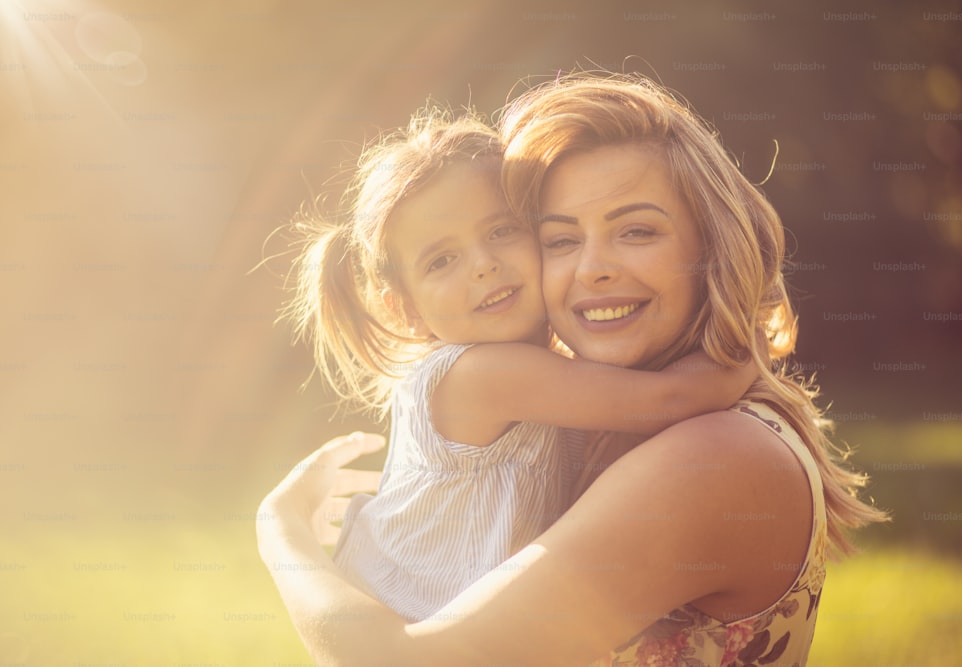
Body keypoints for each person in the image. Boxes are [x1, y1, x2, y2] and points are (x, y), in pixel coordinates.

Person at [258, 73, 888, 666]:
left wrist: (283, 535)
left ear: (712, 244)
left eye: (637, 230)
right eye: (560, 239)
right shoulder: (539, 396)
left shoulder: (715, 456)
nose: (592, 270)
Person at [280, 106, 757, 622]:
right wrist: (750, 339)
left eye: (502, 231)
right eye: (441, 260)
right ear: (407, 308)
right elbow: (670, 400)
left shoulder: (550, 371)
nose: (483, 264)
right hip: (407, 627)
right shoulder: (477, 376)